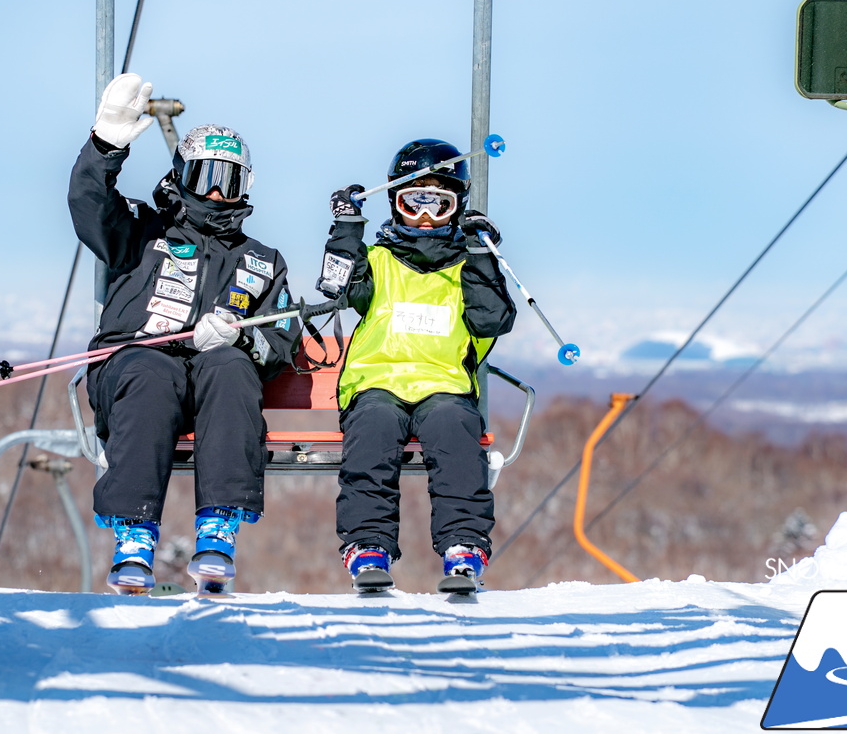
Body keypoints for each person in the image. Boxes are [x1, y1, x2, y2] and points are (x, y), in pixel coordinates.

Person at [68, 73, 298, 595]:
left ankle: (218, 527)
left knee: (230, 366)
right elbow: (89, 208)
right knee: (150, 369)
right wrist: (105, 145)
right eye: (205, 175)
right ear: (183, 176)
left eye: (230, 180)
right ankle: (134, 533)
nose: (217, 191)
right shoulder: (144, 232)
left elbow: (281, 336)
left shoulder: (261, 262)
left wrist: (241, 340)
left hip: (212, 387)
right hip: (135, 369)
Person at [316, 138, 517, 593]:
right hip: (377, 385)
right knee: (373, 433)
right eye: (414, 202)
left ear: (456, 208)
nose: (425, 216)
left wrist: (482, 256)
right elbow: (336, 286)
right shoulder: (379, 262)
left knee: (455, 431)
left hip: (442, 385)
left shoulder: (466, 265)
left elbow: (493, 319)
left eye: (438, 204)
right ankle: (367, 543)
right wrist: (346, 228)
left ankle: (463, 544)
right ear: (394, 203)